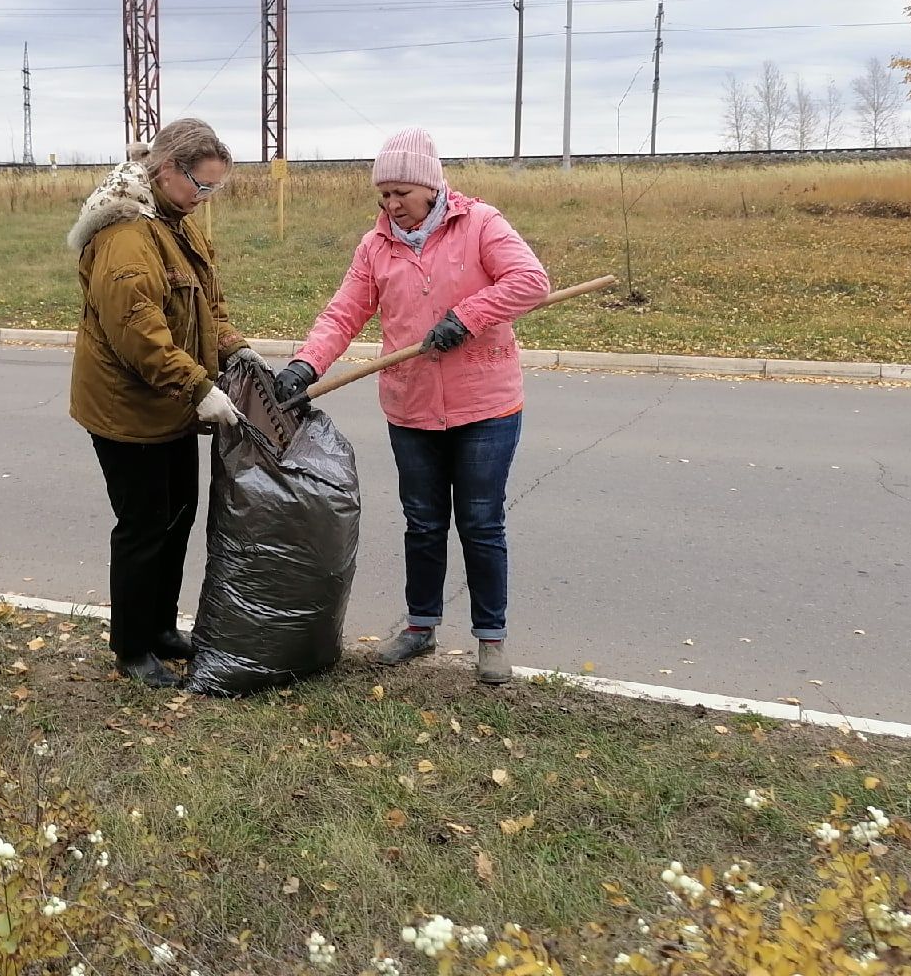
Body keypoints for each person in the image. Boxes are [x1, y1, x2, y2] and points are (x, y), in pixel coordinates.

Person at [274, 127, 550, 684]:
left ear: (430, 187)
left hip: (486, 407)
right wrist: (307, 364)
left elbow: (531, 281)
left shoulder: (480, 224)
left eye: (400, 192)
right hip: (411, 407)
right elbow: (344, 312)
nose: (390, 204)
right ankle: (421, 627)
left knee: (480, 522)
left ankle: (490, 639)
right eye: (383, 195)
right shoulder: (376, 245)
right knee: (423, 522)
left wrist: (467, 317)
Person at [68, 118, 261, 688]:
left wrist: (235, 351)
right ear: (166, 170)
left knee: (178, 518)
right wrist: (201, 389)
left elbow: (210, 302)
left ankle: (159, 627)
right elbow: (139, 334)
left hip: (173, 405)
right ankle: (131, 647)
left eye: (214, 189)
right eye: (201, 186)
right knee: (144, 526)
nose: (205, 199)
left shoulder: (178, 225)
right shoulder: (127, 237)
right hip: (128, 412)